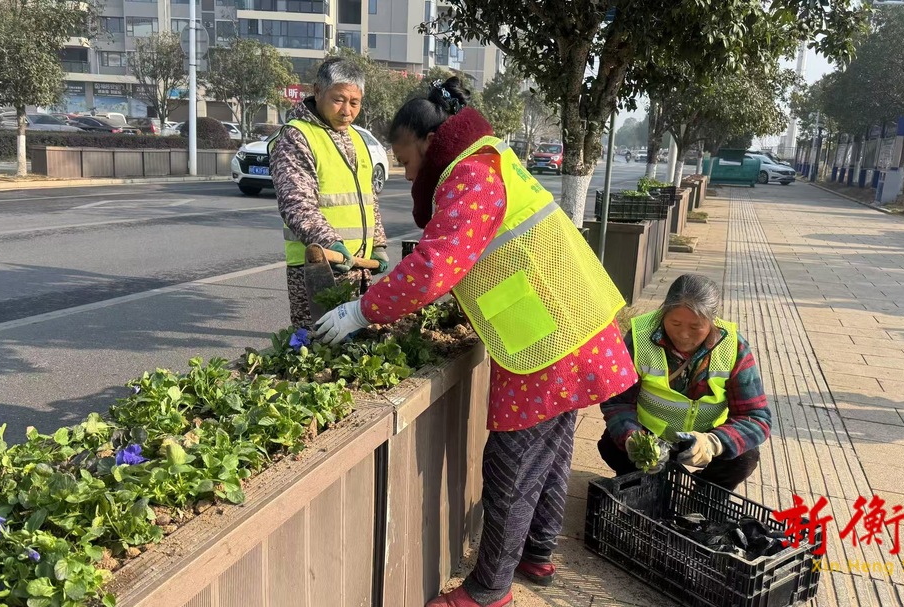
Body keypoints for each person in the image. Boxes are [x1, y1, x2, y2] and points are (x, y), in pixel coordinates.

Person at [314, 78, 637, 607]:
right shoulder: (487, 159)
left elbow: (437, 263)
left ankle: (489, 590)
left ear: (425, 141)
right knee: (551, 450)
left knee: (511, 465)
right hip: (570, 321)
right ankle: (536, 551)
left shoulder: (471, 173)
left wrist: (362, 310)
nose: (407, 172)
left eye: (405, 158)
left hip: (546, 338)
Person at [598, 273, 771, 491]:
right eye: (675, 323)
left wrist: (714, 443)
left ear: (712, 322)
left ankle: (707, 490)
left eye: (695, 327)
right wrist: (632, 438)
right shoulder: (640, 336)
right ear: (663, 314)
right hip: (652, 435)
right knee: (612, 446)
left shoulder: (734, 347)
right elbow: (617, 401)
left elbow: (756, 417)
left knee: (744, 456)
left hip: (703, 437)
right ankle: (646, 483)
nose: (683, 335)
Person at [269, 57, 389, 329]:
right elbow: (296, 204)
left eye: (354, 102)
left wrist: (378, 243)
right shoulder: (296, 137)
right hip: (318, 269)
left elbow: (369, 199)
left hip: (359, 268)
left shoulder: (357, 138)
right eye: (339, 100)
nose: (347, 111)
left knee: (357, 346)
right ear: (318, 91)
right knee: (318, 345)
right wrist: (331, 243)